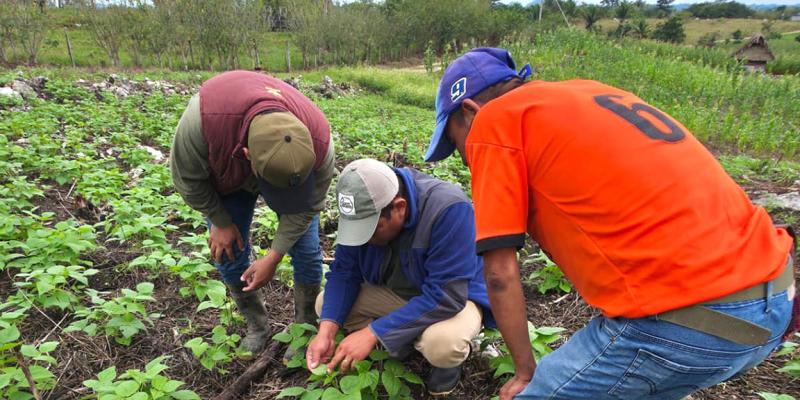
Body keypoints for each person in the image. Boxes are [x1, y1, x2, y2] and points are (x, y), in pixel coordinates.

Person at [425, 48, 796, 400]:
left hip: (693, 319)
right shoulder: (589, 92)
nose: (464, 158)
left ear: (470, 112)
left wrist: (525, 372)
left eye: (456, 144)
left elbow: (499, 275)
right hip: (775, 299)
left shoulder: (495, 121)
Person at [170, 70, 335, 359]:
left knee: (307, 252)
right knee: (228, 251)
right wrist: (220, 221)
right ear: (247, 155)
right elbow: (188, 180)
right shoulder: (203, 122)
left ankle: (305, 326)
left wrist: (274, 255)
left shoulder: (320, 141)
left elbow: (308, 206)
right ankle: (257, 326)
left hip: (278, 170)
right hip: (226, 172)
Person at [305, 158, 495, 395]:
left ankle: (447, 356)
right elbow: (344, 273)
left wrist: (374, 333)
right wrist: (326, 332)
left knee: (443, 344)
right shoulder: (364, 207)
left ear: (400, 207)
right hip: (400, 292)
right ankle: (406, 337)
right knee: (326, 307)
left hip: (454, 297)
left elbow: (447, 296)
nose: (362, 238)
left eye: (371, 230)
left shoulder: (448, 209)